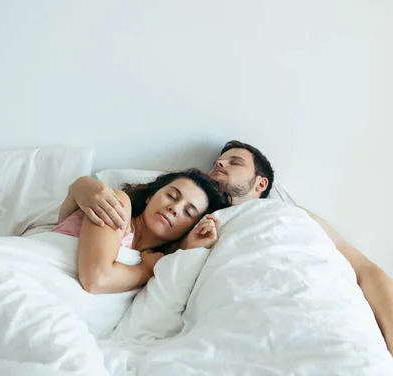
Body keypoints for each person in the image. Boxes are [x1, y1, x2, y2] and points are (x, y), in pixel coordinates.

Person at [61, 140, 393, 355]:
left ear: (261, 184)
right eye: (217, 162)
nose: (218, 165)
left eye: (233, 162)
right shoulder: (182, 228)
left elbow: (367, 270)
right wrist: (82, 185)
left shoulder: (292, 216)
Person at [54, 168, 230, 294]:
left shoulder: (156, 262)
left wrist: (190, 249)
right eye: (171, 196)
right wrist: (145, 269)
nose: (174, 208)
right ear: (150, 196)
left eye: (189, 212)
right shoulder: (118, 205)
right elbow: (97, 280)